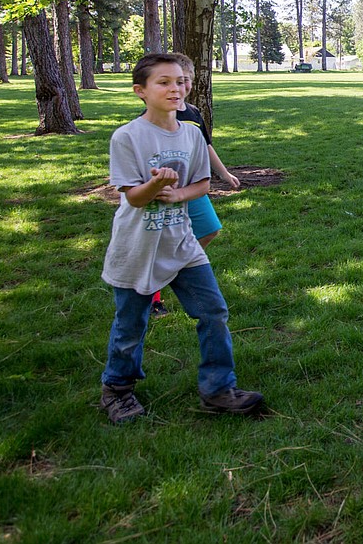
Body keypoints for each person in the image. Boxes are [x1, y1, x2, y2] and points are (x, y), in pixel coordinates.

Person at [99, 53, 263, 424]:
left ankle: (219, 389)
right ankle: (117, 390)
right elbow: (132, 196)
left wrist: (178, 194)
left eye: (179, 81)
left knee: (213, 311)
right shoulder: (127, 137)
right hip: (137, 248)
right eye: (163, 82)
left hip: (182, 244)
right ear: (140, 91)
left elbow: (202, 184)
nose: (175, 89)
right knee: (131, 325)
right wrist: (156, 184)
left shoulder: (191, 133)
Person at [149, 53, 241, 318]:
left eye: (185, 80)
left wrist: (223, 173)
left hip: (193, 188)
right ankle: (154, 297)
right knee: (160, 243)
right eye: (174, 81)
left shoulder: (194, 113)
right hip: (165, 191)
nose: (181, 87)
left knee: (210, 229)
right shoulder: (154, 114)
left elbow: (206, 146)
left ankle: (175, 268)